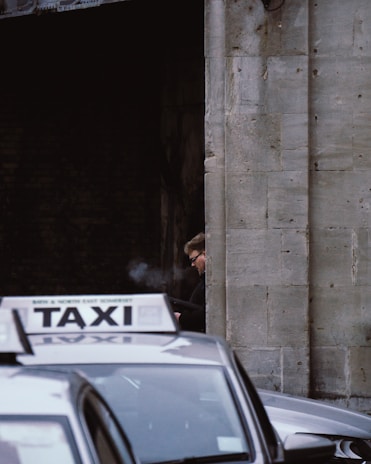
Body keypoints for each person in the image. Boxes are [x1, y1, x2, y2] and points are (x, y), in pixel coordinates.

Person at [171, 232, 206, 333]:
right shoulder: (205, 280)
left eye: (194, 259)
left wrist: (182, 318)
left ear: (205, 254)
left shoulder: (211, 281)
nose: (192, 265)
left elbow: (208, 312)